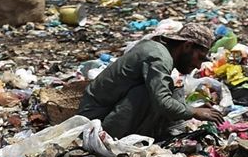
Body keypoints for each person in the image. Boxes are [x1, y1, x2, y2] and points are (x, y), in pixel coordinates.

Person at [78, 23, 225, 139]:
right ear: (187, 46)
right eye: (199, 57)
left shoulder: (157, 49)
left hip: (102, 111)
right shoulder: (159, 57)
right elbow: (162, 102)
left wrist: (193, 107)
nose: (198, 66)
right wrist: (194, 112)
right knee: (149, 94)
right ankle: (111, 139)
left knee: (172, 89)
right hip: (95, 120)